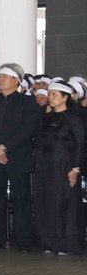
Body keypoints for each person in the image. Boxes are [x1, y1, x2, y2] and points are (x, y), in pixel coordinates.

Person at [0, 64, 41, 251]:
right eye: (0, 75)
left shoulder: (27, 102)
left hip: (18, 157)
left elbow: (28, 129)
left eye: (6, 76)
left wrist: (4, 148)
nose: (1, 79)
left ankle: (23, 240)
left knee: (22, 198)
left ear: (16, 80)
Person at [34, 82, 84, 255]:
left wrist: (76, 169)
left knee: (64, 203)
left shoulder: (73, 118)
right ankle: (49, 242)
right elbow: (39, 140)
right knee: (46, 202)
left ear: (65, 97)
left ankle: (65, 243)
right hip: (45, 166)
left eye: (55, 94)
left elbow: (80, 144)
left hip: (65, 166)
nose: (51, 97)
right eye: (50, 94)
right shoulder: (46, 118)